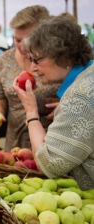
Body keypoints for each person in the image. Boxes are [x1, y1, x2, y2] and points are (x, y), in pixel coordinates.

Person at [12, 16, 94, 190]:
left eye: (37, 59)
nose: (32, 68)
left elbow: (49, 165)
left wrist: (31, 111)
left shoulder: (79, 97)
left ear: (63, 56)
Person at [0, 5, 60, 152]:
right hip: (15, 146)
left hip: (52, 146)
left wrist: (66, 107)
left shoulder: (57, 61)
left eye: (27, 40)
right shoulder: (4, 60)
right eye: (17, 40)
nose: (21, 46)